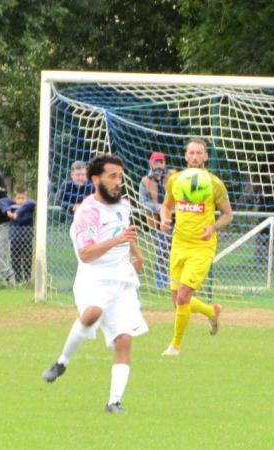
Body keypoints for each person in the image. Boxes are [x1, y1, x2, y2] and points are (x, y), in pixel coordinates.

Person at [41, 154, 148, 414]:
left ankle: (114, 402)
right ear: (95, 179)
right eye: (112, 176)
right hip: (94, 277)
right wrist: (119, 240)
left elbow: (124, 229)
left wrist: (137, 253)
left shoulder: (124, 205)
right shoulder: (87, 213)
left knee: (124, 340)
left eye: (120, 177)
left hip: (121, 280)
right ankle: (62, 361)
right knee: (93, 312)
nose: (117, 182)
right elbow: (87, 255)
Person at [160, 138, 233, 356]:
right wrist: (164, 219)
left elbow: (228, 215)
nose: (194, 156)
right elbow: (166, 205)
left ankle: (175, 346)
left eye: (199, 153)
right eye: (191, 152)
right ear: (185, 156)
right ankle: (211, 311)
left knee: (183, 297)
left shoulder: (214, 183)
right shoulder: (175, 180)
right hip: (179, 243)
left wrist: (213, 227)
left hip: (202, 246)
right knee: (177, 301)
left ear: (206, 156)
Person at [139, 151, 171, 289]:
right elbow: (143, 201)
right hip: (156, 221)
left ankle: (177, 279)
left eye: (161, 162)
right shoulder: (145, 181)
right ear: (150, 163)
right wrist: (158, 207)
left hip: (175, 219)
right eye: (156, 162)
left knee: (176, 250)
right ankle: (161, 281)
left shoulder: (172, 176)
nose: (159, 165)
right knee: (162, 250)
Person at [0, 187, 36, 283]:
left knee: (27, 258)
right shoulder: (12, 206)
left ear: (26, 197)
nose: (20, 200)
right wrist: (7, 210)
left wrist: (18, 213)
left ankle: (27, 278)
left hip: (26, 237)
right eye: (18, 198)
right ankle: (17, 279)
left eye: (23, 198)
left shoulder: (29, 206)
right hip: (15, 237)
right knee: (15, 258)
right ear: (15, 198)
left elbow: (32, 202)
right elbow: (2, 201)